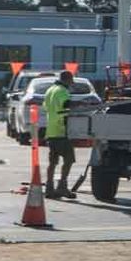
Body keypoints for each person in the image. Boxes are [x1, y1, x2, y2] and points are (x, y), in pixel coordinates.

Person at [44, 71, 78, 199]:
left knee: (53, 162)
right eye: (71, 81)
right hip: (61, 130)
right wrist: (80, 104)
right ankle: (62, 187)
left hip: (51, 130)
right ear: (67, 80)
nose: (71, 83)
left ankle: (49, 187)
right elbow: (66, 105)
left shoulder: (50, 90)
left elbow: (46, 107)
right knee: (69, 160)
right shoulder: (62, 91)